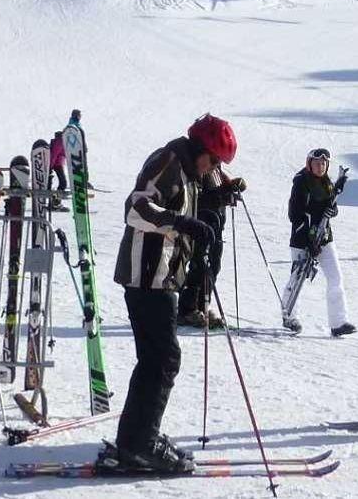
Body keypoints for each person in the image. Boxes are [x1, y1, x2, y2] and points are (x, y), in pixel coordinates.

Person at [102, 113, 235, 475]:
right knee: (163, 359)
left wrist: (201, 223)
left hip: (161, 278)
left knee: (155, 359)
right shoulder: (168, 161)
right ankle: (139, 444)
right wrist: (182, 223)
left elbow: (184, 208)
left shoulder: (188, 173)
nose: (214, 168)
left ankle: (135, 439)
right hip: (146, 276)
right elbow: (135, 208)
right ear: (200, 149)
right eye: (214, 161)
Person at [281, 148, 355, 336]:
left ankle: (338, 322)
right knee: (298, 277)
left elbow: (330, 205)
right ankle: (289, 316)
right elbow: (295, 214)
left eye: (323, 163)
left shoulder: (326, 182)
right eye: (317, 163)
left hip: (324, 237)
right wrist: (308, 241)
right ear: (309, 164)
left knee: (335, 276)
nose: (320, 167)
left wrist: (333, 211)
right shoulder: (301, 182)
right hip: (303, 239)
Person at [177, 168, 244, 329]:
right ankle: (188, 310)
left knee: (213, 267)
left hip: (216, 226)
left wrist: (234, 187)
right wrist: (222, 195)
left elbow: (222, 187)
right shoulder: (200, 169)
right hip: (201, 227)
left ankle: (203, 307)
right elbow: (196, 198)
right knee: (199, 266)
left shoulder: (216, 170)